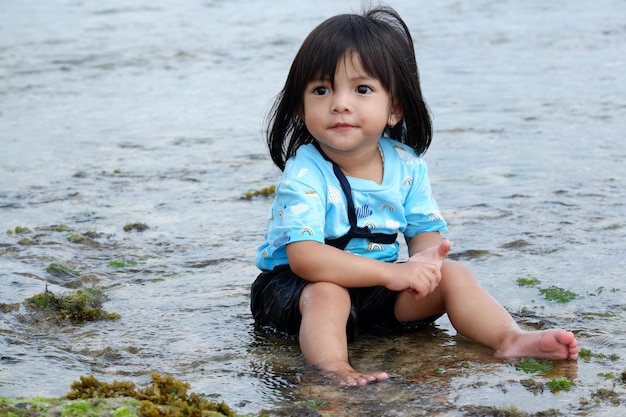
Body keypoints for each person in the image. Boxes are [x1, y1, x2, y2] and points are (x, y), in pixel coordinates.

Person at [251, 6, 578, 386]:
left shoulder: (406, 165)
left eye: (362, 89)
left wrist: (425, 262)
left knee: (454, 275)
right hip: (295, 293)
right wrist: (392, 272)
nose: (340, 103)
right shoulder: (306, 171)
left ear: (394, 108)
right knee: (329, 293)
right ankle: (332, 368)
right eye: (322, 90)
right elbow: (305, 258)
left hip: (374, 294)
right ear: (300, 105)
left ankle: (508, 338)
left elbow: (425, 231)